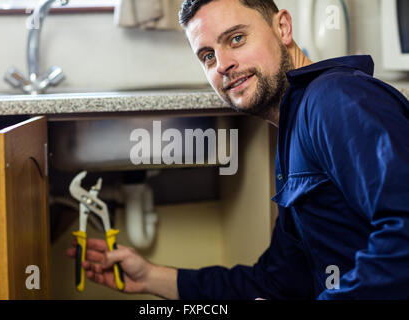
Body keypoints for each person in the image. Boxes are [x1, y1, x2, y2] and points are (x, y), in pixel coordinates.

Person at [66, 0, 409, 299]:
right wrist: (151, 277)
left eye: (236, 39)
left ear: (283, 27)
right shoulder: (293, 132)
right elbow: (277, 283)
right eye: (207, 55)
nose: (222, 64)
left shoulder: (335, 100)